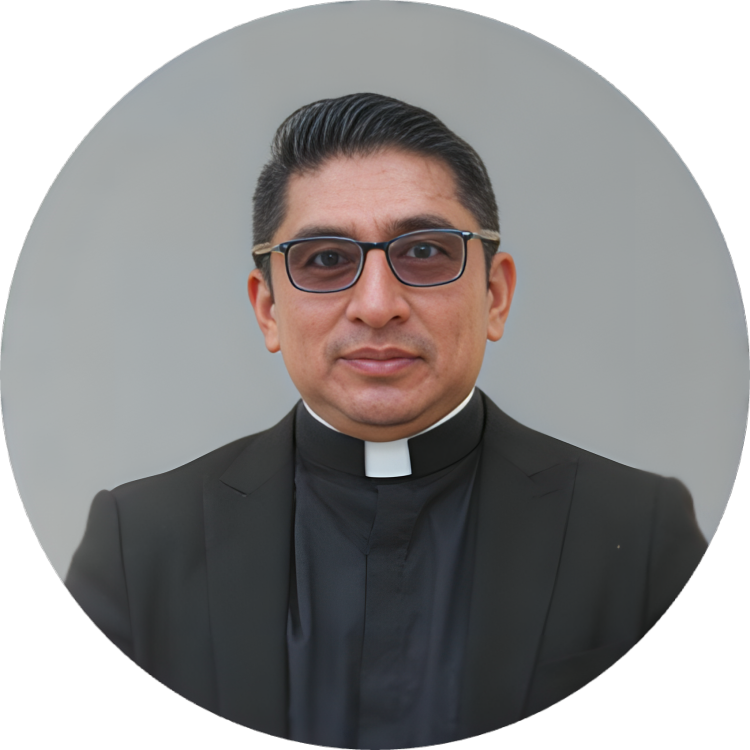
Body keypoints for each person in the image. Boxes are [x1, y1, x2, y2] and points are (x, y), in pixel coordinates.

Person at [65, 93, 707, 748]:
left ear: (495, 295)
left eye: (424, 251)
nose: (376, 306)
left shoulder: (639, 535)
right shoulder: (137, 546)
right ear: (267, 310)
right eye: (325, 259)